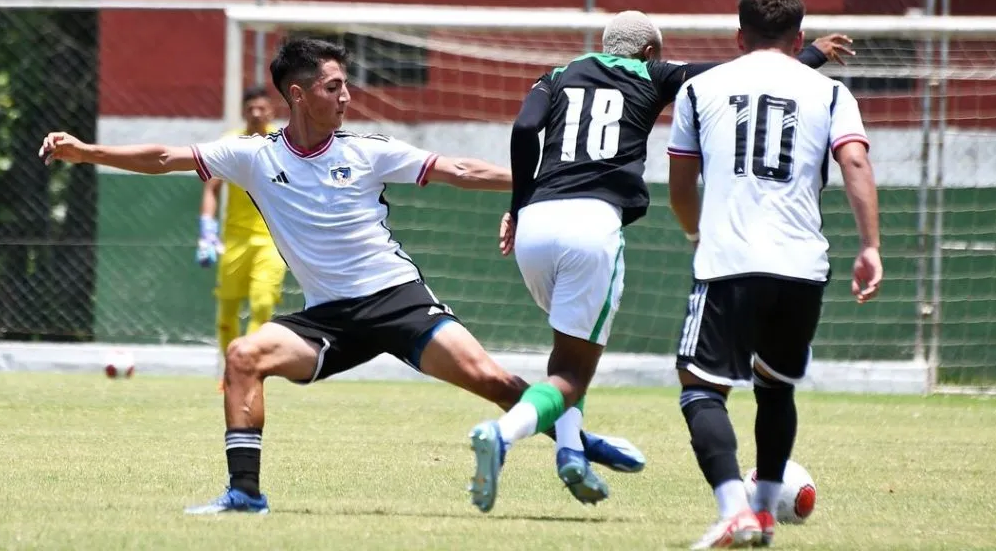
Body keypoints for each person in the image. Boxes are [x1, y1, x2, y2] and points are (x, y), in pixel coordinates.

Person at [38, 37, 644, 515]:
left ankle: (578, 441)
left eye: (346, 85)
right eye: (333, 87)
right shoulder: (254, 156)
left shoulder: (366, 150)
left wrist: (540, 183)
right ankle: (245, 495)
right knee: (244, 355)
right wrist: (87, 153)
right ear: (298, 95)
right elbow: (165, 157)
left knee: (492, 379)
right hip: (326, 318)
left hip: (397, 301)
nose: (346, 96)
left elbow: (458, 168)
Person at [467, 10, 854, 514]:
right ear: (650, 51)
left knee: (566, 353)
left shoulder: (558, 74)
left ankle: (570, 451)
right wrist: (811, 56)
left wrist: (517, 206)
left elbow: (524, 128)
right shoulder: (654, 73)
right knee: (572, 369)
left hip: (535, 223)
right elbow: (745, 77)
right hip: (592, 223)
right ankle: (502, 434)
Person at [664, 0, 881, 548]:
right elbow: (854, 160)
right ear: (800, 37)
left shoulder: (699, 88)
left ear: (738, 36)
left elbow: (681, 184)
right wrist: (870, 246)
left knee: (700, 387)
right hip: (802, 265)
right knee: (775, 386)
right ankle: (762, 515)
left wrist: (694, 232)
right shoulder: (829, 92)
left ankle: (733, 507)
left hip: (728, 261)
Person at [196, 86, 285, 391]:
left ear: (272, 110)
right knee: (226, 315)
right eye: (251, 109)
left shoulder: (284, 144)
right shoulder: (230, 143)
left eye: (262, 108)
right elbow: (211, 189)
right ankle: (231, 369)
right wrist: (207, 231)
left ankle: (249, 368)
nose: (257, 114)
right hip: (234, 241)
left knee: (262, 305)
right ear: (243, 112)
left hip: (273, 241)